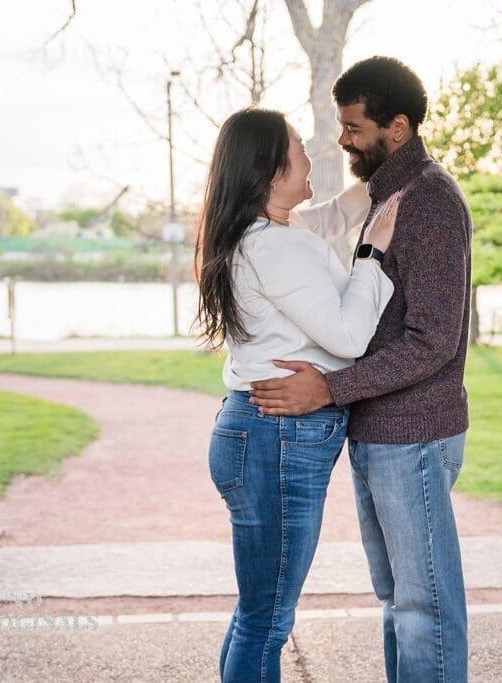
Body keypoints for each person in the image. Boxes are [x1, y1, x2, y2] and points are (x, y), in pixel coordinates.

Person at [248, 57, 474, 683]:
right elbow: (307, 224)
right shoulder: (382, 192)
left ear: (396, 129)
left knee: (424, 605)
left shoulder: (429, 201)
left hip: (414, 434)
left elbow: (433, 341)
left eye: (353, 127)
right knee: (398, 602)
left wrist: (329, 388)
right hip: (378, 431)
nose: (343, 139)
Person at [195, 106, 401, 682]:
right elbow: (349, 335)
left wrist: (395, 172)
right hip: (276, 438)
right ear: (270, 169)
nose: (314, 154)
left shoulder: (270, 232)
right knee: (266, 621)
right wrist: (371, 257)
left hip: (261, 434)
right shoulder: (275, 246)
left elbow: (336, 215)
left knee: (256, 615)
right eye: (299, 148)